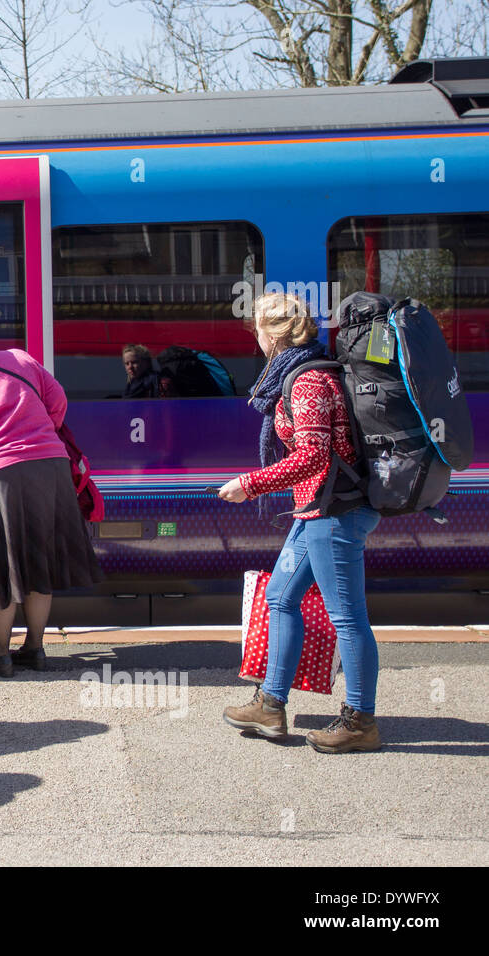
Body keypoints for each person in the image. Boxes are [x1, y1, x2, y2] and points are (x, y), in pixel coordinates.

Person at [217, 292, 383, 753]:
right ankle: (270, 703)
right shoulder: (309, 370)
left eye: (256, 328)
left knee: (348, 618)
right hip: (316, 509)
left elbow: (313, 455)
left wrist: (251, 484)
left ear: (272, 332)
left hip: (336, 513)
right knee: (280, 597)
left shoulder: (307, 380)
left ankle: (360, 721)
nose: (254, 337)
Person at [0, 311, 103, 677]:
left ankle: (2, 655)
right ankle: (36, 649)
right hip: (50, 470)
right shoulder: (20, 359)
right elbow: (57, 400)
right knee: (39, 562)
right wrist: (40, 433)